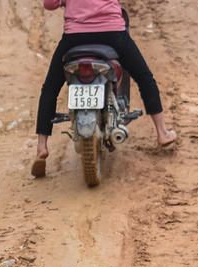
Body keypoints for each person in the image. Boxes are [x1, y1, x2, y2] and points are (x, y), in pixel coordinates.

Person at [33, 0, 176, 177]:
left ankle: (41, 146)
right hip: (112, 33)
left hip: (75, 37)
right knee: (145, 78)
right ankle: (162, 133)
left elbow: (49, 4)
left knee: (50, 88)